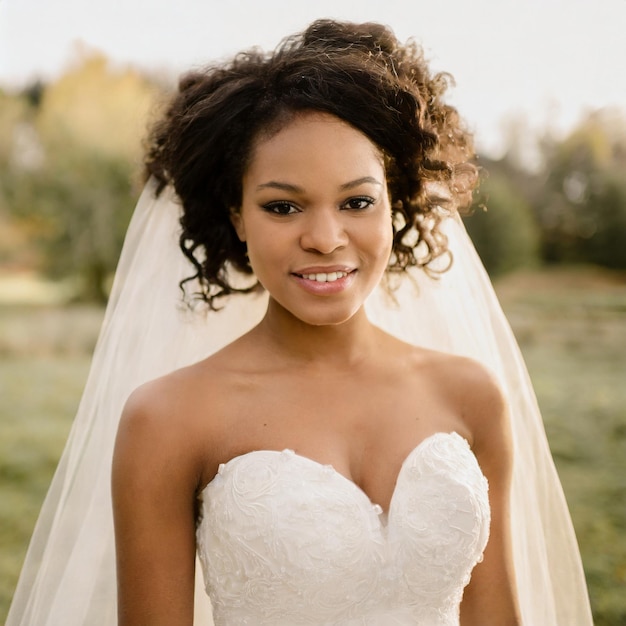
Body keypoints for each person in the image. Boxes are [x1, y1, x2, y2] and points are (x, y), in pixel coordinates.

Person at [7, 19, 592, 626]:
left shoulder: (470, 396)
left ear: (396, 203)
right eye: (282, 206)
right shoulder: (168, 418)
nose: (324, 238)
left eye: (357, 201)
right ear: (236, 216)